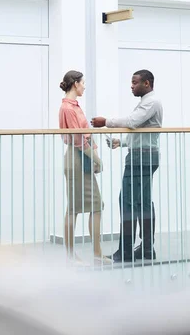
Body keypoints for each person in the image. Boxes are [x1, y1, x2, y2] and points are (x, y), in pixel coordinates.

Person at [91, 69, 163, 263]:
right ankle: (147, 250)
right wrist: (121, 142)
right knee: (143, 203)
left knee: (128, 203)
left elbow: (132, 122)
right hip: (145, 157)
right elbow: (141, 131)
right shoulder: (146, 103)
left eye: (134, 82)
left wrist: (105, 122)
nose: (131, 86)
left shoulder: (151, 102)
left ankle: (126, 251)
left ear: (146, 83)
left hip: (141, 159)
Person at [59, 70, 111, 266]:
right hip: (76, 157)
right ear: (75, 84)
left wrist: (94, 155)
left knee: (96, 205)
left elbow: (84, 136)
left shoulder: (73, 106)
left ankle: (97, 253)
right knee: (73, 208)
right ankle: (71, 256)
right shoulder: (67, 108)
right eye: (82, 83)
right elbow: (79, 139)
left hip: (81, 156)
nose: (84, 86)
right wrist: (97, 158)